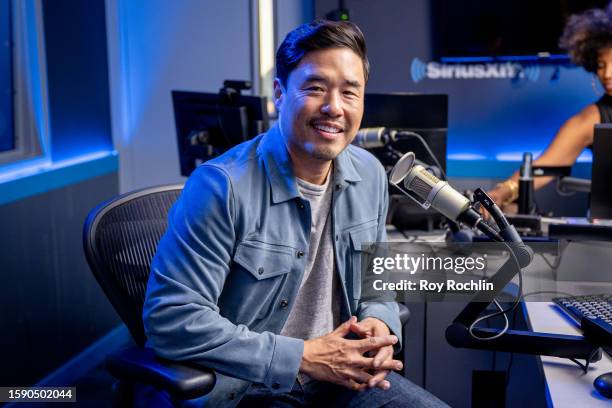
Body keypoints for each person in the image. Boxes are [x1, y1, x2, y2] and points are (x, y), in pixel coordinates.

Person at [143, 20, 448, 408]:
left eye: (349, 92)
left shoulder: (370, 173)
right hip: (250, 388)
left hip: (343, 380)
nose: (333, 107)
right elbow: (172, 319)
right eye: (315, 88)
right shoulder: (220, 186)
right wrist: (303, 357)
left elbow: (376, 285)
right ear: (280, 93)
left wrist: (380, 323)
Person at [488, 4, 612, 209]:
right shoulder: (592, 118)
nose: (607, 74)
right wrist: (499, 194)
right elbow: (545, 166)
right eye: (601, 65)